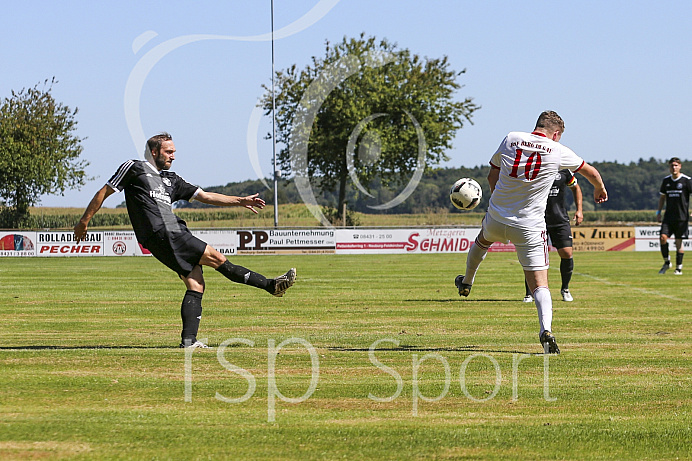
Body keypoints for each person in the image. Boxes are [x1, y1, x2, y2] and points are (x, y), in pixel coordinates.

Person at [74, 132, 296, 349]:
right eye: (168, 151)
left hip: (165, 235)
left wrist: (240, 200)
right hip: (164, 231)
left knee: (196, 282)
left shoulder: (172, 180)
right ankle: (271, 286)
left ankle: (189, 342)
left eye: (174, 152)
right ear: (154, 152)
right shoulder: (134, 167)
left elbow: (206, 196)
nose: (173, 156)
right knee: (217, 258)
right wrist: (84, 221)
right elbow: (105, 191)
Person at [454, 111, 607, 354]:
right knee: (540, 286)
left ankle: (467, 280)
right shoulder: (558, 150)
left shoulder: (511, 138)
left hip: (497, 217)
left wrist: (497, 199)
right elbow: (590, 172)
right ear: (555, 134)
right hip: (529, 227)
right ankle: (545, 330)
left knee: (482, 241)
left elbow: (491, 173)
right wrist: (599, 189)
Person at [523, 169, 582, 303]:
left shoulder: (565, 172)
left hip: (560, 219)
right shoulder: (534, 169)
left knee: (567, 253)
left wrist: (579, 210)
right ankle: (529, 293)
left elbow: (576, 188)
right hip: (537, 219)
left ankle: (565, 289)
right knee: (534, 255)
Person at [657, 157, 692, 275]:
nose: (674, 168)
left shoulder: (686, 180)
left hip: (682, 218)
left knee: (678, 243)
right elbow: (662, 197)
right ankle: (667, 262)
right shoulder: (666, 181)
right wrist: (658, 212)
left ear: (680, 166)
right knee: (662, 238)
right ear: (669, 167)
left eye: (676, 165)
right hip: (668, 217)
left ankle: (679, 268)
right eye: (672, 165)